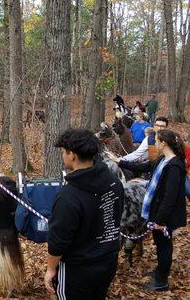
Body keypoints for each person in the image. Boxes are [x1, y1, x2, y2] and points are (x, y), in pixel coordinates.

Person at [45, 128, 124, 299]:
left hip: (77, 271)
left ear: (72, 155)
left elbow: (58, 240)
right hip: (108, 263)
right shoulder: (114, 183)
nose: (63, 155)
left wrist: (51, 269)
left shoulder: (68, 196)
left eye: (64, 152)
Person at [110, 129, 187, 291]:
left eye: (157, 141)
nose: (155, 144)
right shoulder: (162, 160)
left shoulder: (175, 166)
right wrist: (119, 161)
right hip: (157, 210)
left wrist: (159, 220)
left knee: (165, 246)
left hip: (166, 215)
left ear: (164, 143)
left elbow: (170, 196)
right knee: (160, 244)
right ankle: (160, 271)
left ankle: (161, 281)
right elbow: (144, 166)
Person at [121, 117, 190, 218]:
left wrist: (181, 165)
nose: (159, 128)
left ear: (167, 127)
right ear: (153, 126)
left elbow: (187, 154)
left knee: (187, 192)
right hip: (154, 171)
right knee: (151, 194)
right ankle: (148, 216)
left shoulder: (172, 138)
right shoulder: (149, 139)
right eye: (157, 125)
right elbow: (137, 154)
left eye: (162, 126)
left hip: (173, 171)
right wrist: (121, 159)